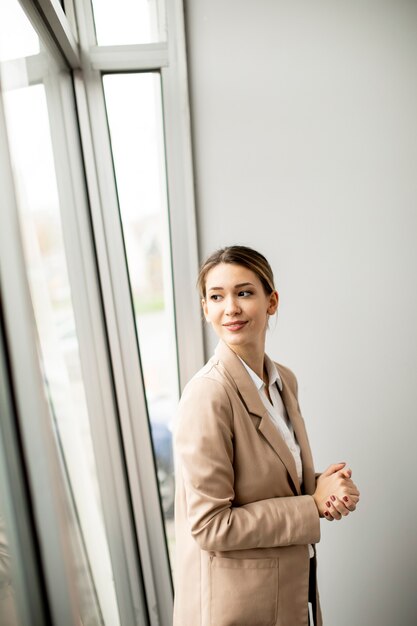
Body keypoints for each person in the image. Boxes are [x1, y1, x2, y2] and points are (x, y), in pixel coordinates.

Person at [173, 246, 360, 626]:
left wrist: (324, 487)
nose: (231, 308)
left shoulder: (283, 381)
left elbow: (275, 482)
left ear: (271, 301)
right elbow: (211, 525)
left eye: (244, 292)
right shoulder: (207, 395)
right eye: (216, 296)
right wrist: (311, 506)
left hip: (287, 593)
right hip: (238, 608)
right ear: (204, 309)